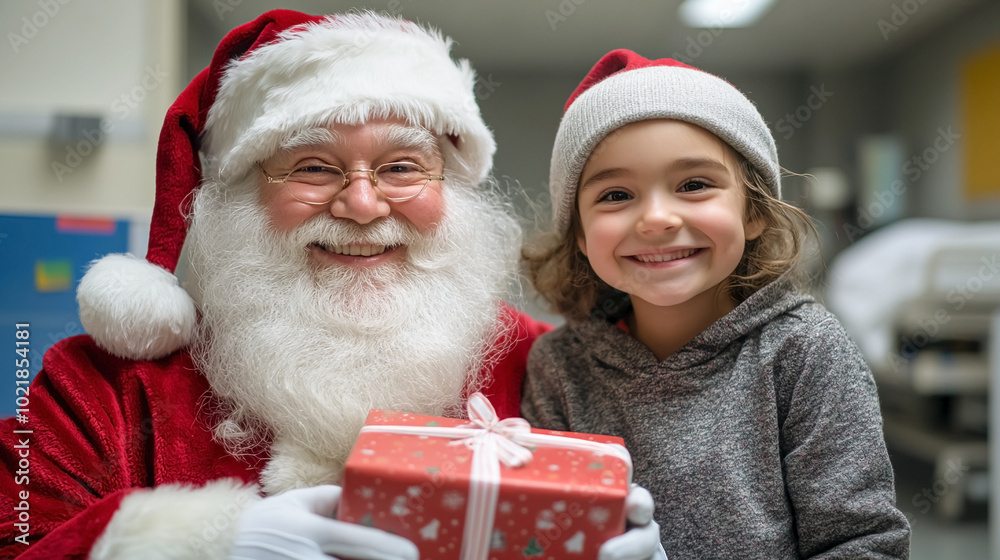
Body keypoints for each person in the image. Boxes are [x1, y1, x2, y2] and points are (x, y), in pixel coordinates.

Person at [0, 12, 661, 560]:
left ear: (452, 191)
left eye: (402, 166)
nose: (364, 204)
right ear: (238, 197)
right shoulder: (105, 390)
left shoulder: (551, 368)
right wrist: (193, 546)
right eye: (313, 167)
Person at [520, 49, 912, 558]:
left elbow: (866, 544)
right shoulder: (559, 368)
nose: (656, 218)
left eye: (694, 185)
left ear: (754, 212)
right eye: (616, 195)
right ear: (578, 234)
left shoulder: (805, 351)